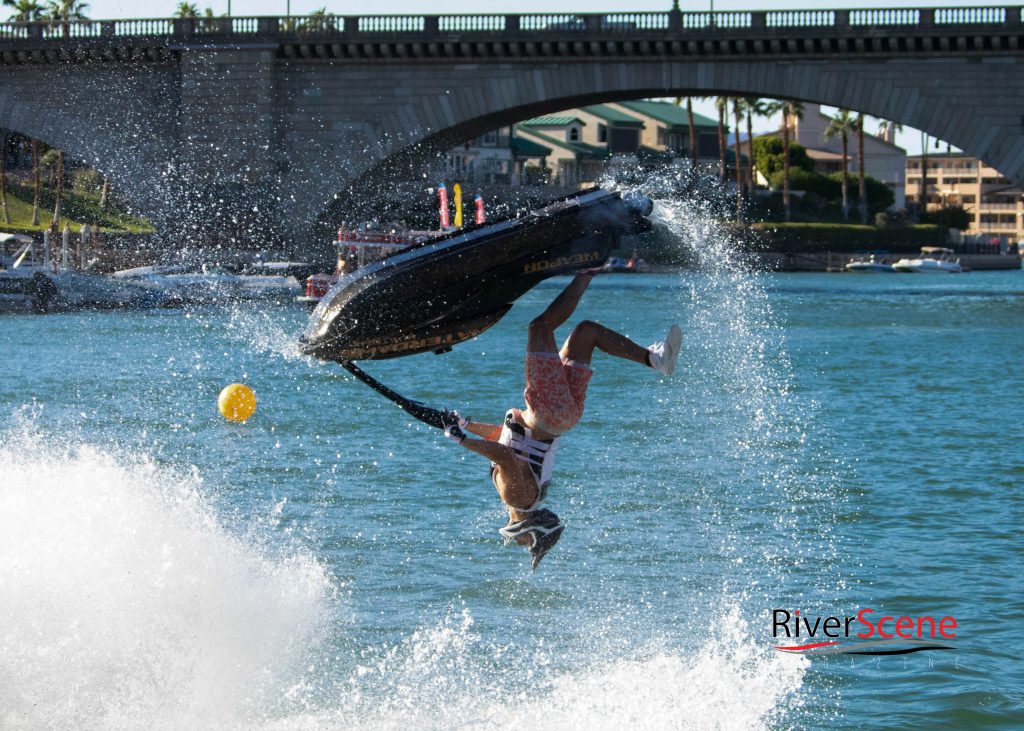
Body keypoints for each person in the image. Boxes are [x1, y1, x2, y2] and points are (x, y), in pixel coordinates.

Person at [442, 270, 682, 569]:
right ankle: (586, 275)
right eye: (525, 543)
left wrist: (465, 425)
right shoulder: (518, 498)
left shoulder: (530, 496)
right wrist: (461, 441)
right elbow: (504, 455)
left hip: (561, 417)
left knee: (586, 333)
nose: (516, 543)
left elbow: (507, 439)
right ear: (529, 530)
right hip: (548, 412)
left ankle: (653, 358)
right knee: (539, 327)